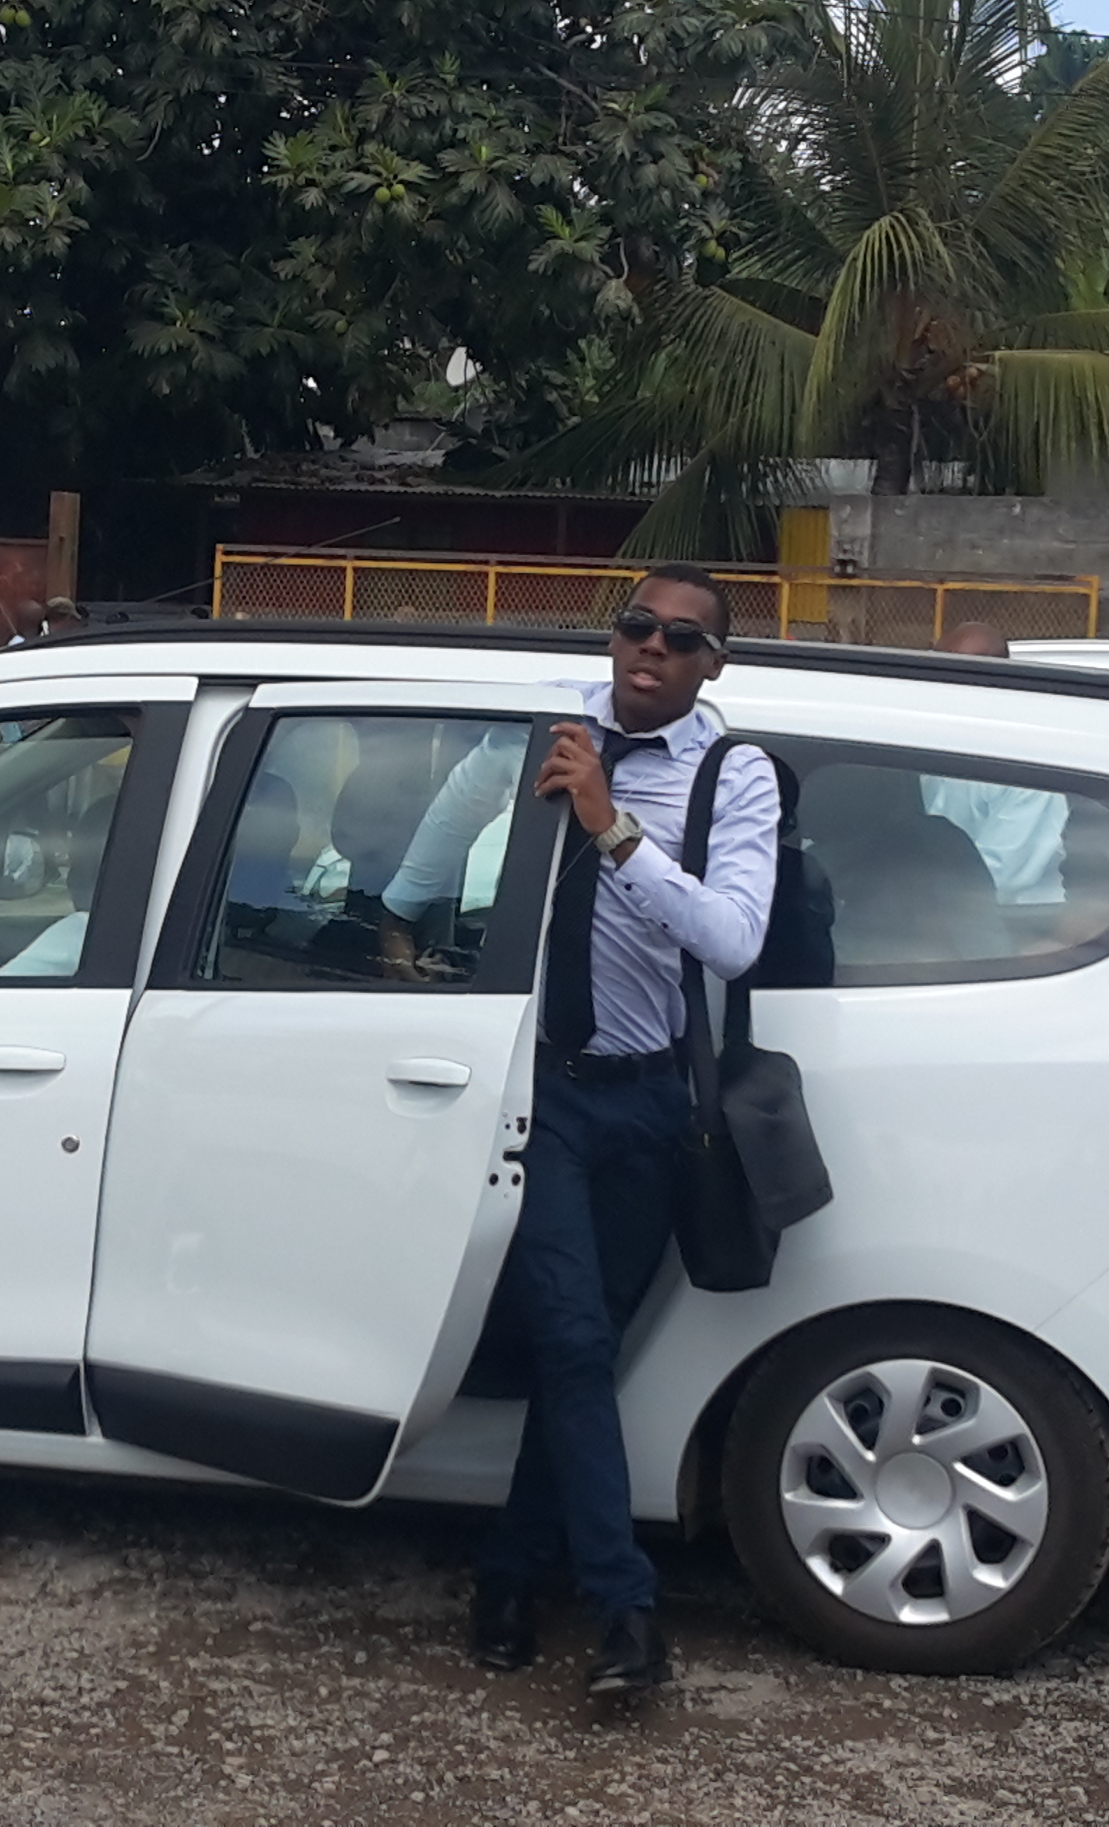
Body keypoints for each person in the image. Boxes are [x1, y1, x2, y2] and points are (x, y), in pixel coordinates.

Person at [375, 565, 779, 1696]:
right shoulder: (548, 725)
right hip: (542, 1094)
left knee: (583, 1349)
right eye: (637, 625)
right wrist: (400, 920)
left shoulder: (732, 773)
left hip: (651, 1101)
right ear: (614, 637)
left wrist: (614, 829)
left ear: (713, 666)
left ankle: (508, 1575)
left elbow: (735, 939)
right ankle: (625, 1612)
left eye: (682, 638)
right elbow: (455, 811)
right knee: (571, 1342)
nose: (652, 647)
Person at [921, 620, 1069, 905]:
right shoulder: (928, 741)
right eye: (936, 669)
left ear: (995, 677)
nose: (939, 685)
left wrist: (916, 897)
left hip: (1017, 920)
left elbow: (999, 873)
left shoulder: (1026, 763)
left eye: (955, 675)